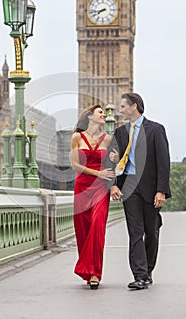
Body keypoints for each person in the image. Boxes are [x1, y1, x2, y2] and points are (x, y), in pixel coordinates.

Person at [110, 93, 171, 290]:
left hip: (150, 187)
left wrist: (161, 190)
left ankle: (148, 270)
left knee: (151, 232)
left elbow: (163, 162)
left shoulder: (155, 129)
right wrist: (113, 184)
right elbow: (111, 162)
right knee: (135, 232)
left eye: (123, 106)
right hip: (128, 187)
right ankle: (140, 275)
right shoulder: (120, 132)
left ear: (134, 106)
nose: (120, 110)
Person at [71, 104, 116, 290]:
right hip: (82, 187)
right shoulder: (77, 137)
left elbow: (119, 160)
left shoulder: (108, 139)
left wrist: (115, 159)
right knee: (84, 230)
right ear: (90, 116)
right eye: (100, 113)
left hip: (100, 189)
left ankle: (95, 273)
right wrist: (97, 173)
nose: (104, 115)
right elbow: (75, 165)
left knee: (98, 227)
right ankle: (87, 271)